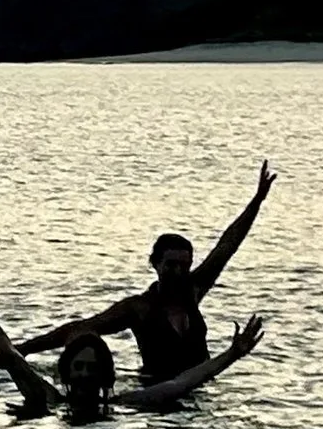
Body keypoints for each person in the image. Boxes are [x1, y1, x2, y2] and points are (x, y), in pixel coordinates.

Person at [15, 161, 274, 380]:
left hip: (200, 391)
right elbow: (81, 328)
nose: (178, 271)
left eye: (184, 265)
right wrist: (21, 351)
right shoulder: (139, 309)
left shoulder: (192, 292)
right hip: (156, 392)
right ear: (156, 264)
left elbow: (227, 246)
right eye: (171, 264)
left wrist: (257, 201)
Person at [0, 255, 262, 419]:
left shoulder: (126, 403)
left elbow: (183, 383)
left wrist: (232, 355)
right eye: (79, 367)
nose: (85, 375)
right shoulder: (49, 398)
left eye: (91, 368)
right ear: (66, 371)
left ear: (105, 375)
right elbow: (10, 355)